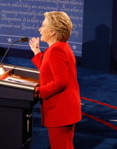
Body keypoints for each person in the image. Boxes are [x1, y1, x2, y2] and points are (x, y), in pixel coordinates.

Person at [28, 11, 81, 149]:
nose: (40, 29)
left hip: (61, 110)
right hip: (65, 109)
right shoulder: (60, 47)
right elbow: (50, 70)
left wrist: (38, 91)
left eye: (43, 26)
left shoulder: (56, 50)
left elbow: (60, 81)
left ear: (52, 32)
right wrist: (37, 52)